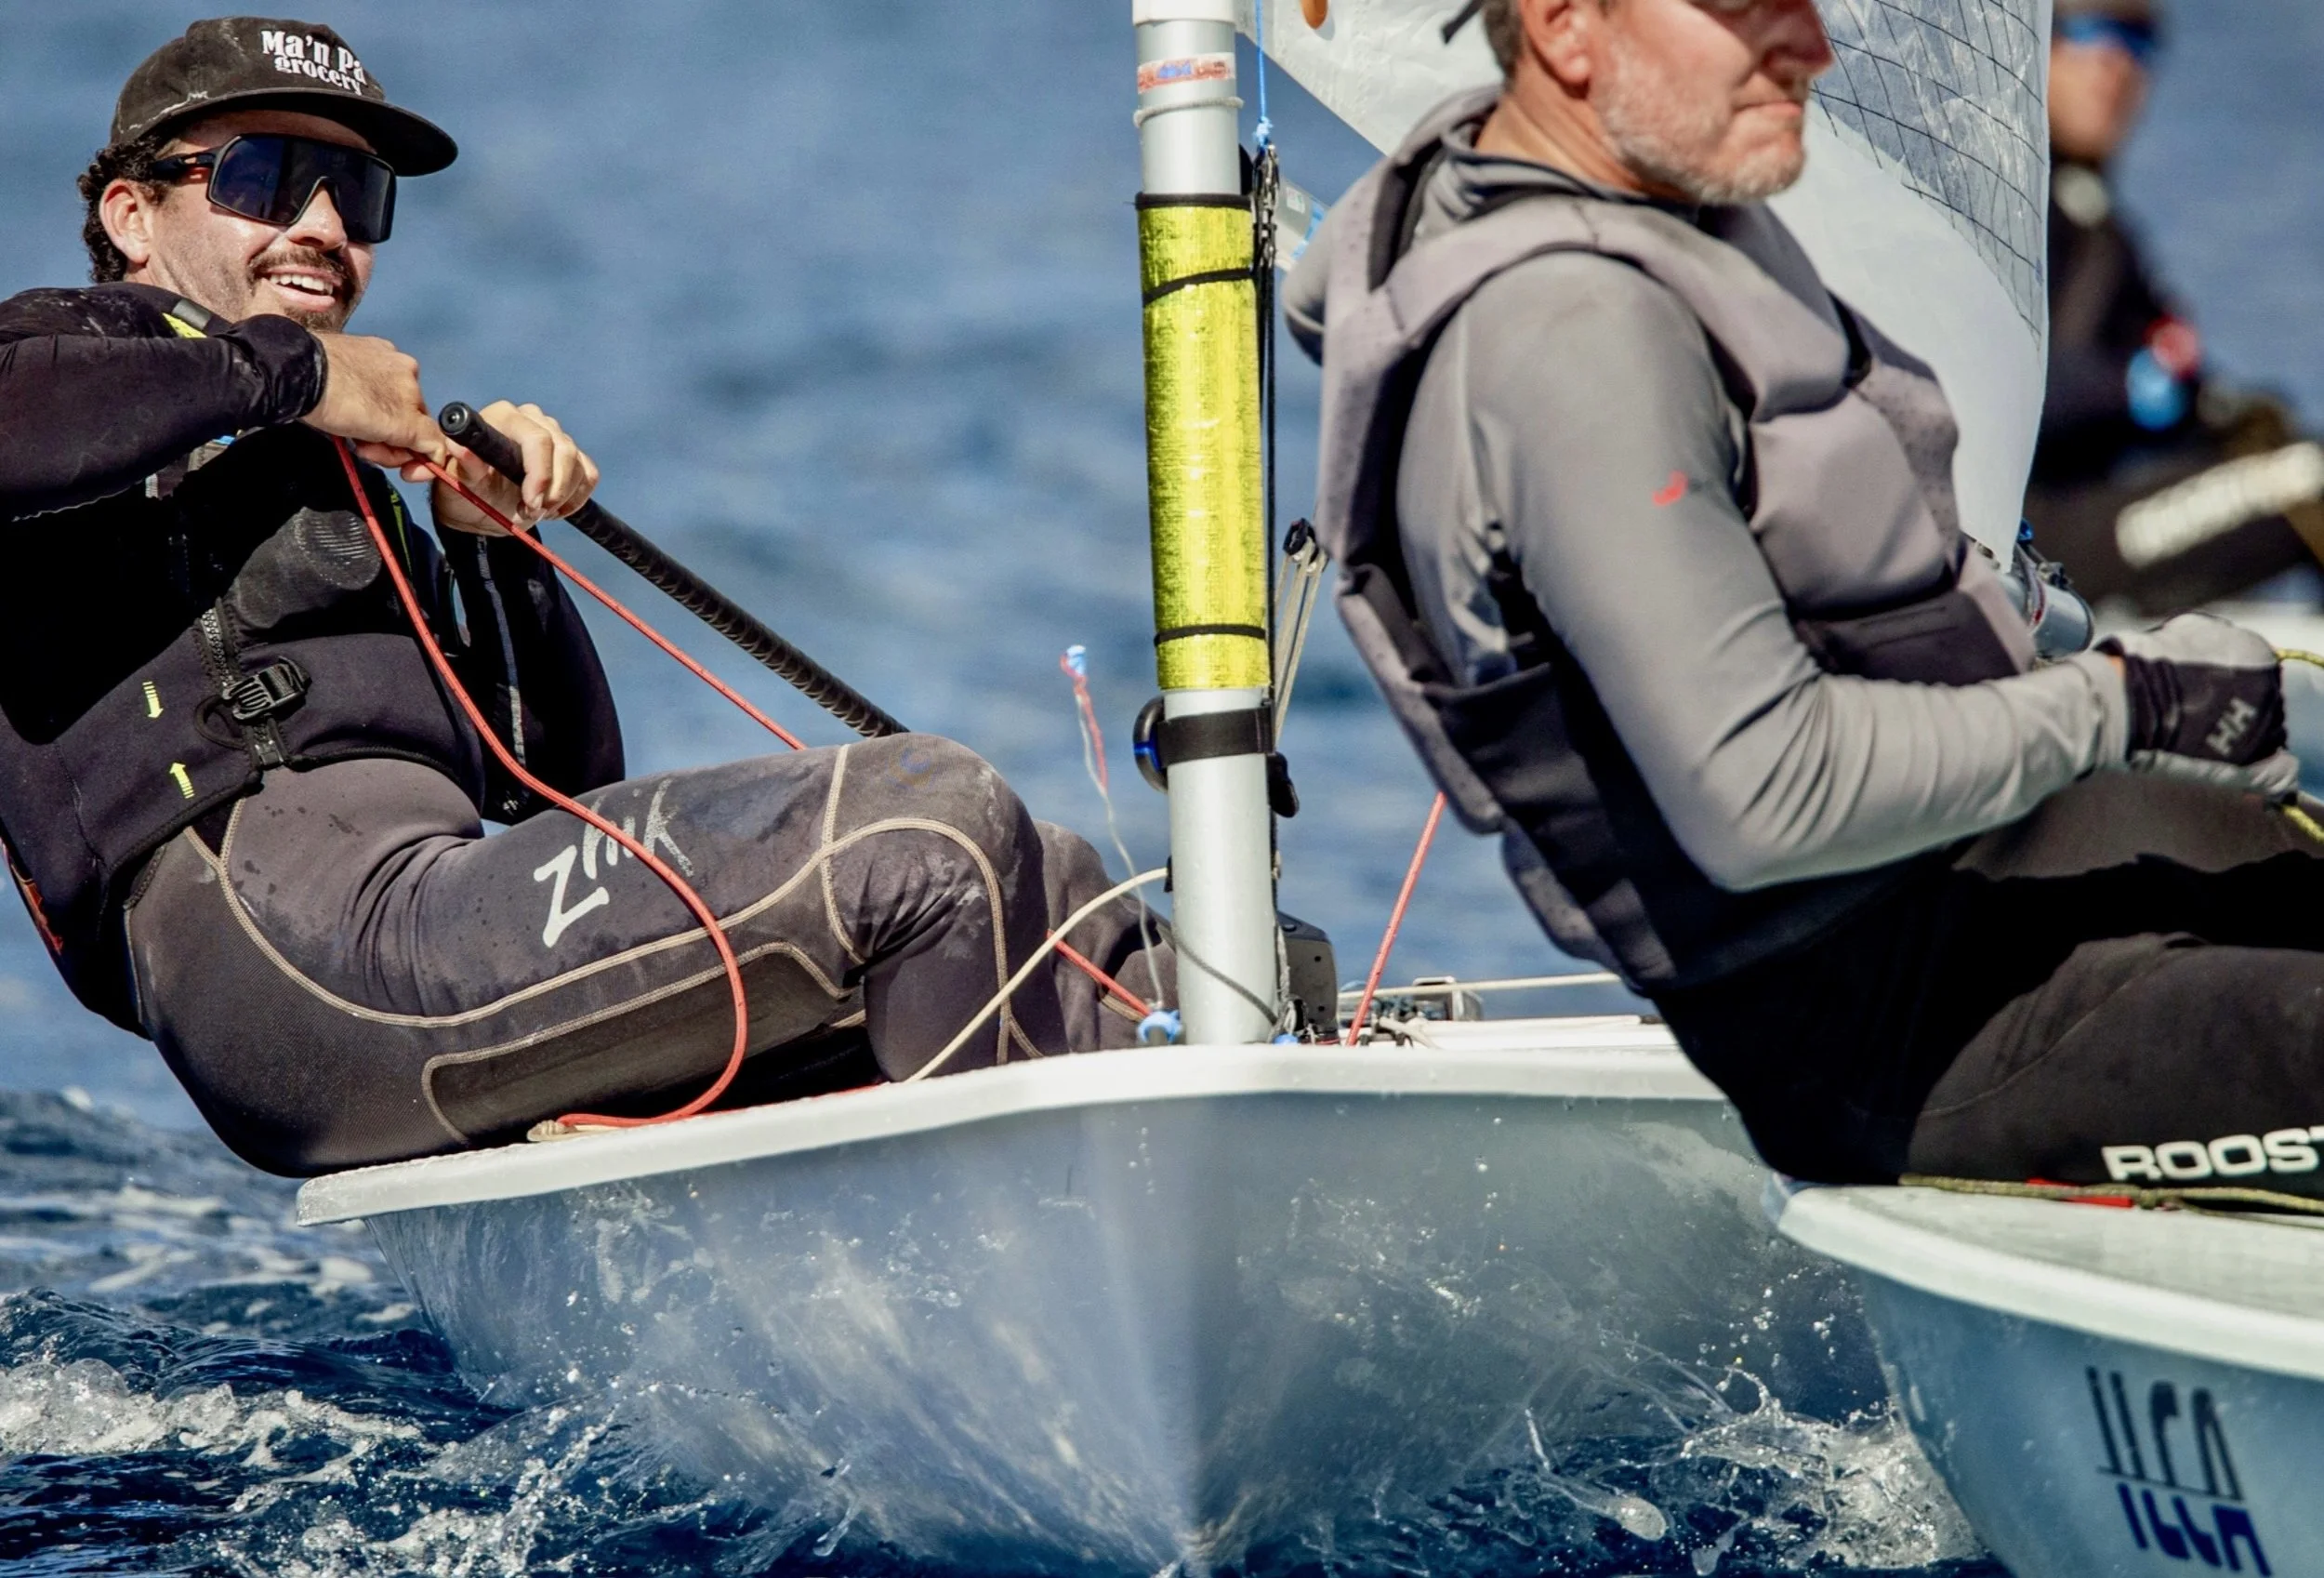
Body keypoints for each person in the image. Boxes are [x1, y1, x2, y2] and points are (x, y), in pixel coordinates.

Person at [0, 18, 1167, 1177]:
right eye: (266, 177)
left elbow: (562, 787)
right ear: (132, 215)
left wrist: (492, 547)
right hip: (283, 960)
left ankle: (1215, 1200)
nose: (321, 227)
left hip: (429, 917)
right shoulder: (66, 361)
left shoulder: (345, 468)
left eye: (356, 193)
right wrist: (298, 372)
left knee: (1062, 891)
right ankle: (1041, 1271)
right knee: (928, 824)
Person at [1290, 0, 2324, 1194]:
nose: (1815, 48)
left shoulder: (1650, 212)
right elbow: (1762, 795)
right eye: (1748, 10)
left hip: (2004, 872)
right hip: (1907, 1030)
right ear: (1569, 30)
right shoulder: (1565, 338)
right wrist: (2131, 705)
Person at [2027, 0, 2324, 614]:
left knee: (2286, 459)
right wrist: (2132, 387)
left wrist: (2221, 415)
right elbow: (1996, 386)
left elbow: (2177, 393)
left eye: (2137, 41)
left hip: (2089, 520)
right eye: (2087, 32)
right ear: (2034, 48)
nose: (2115, 64)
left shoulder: (2103, 229)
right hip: (2032, 540)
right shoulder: (2014, 206)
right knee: (2307, 480)